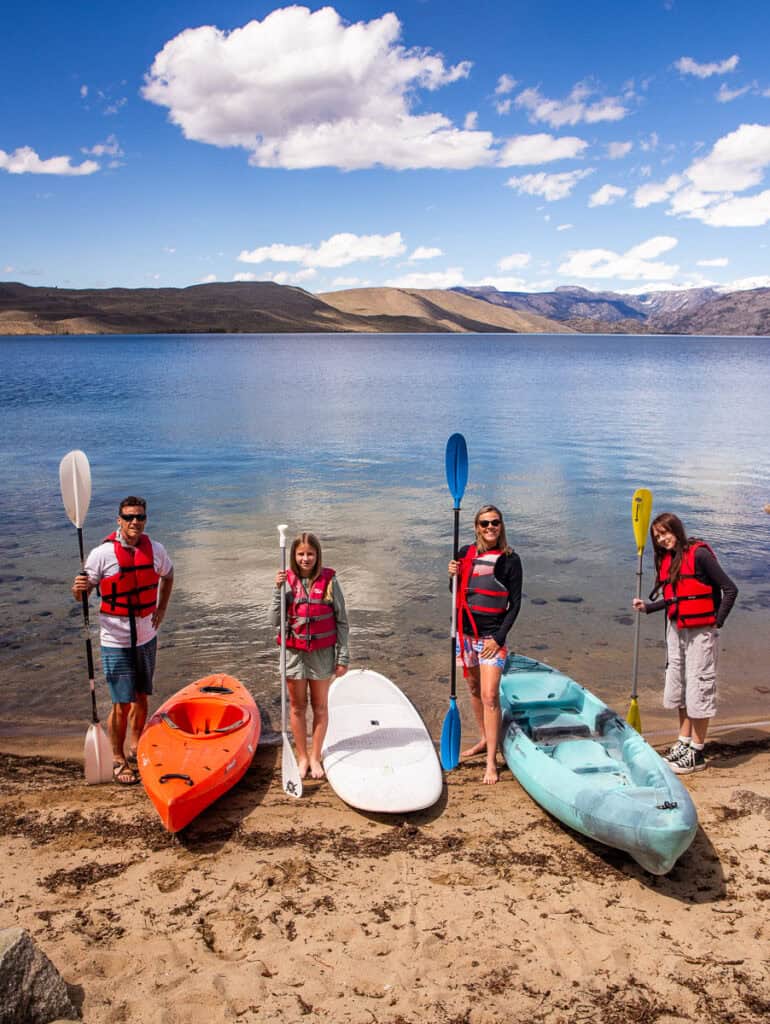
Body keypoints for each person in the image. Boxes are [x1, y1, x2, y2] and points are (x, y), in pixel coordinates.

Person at [72, 497, 174, 785]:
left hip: (146, 637)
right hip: (115, 639)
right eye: (128, 517)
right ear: (119, 519)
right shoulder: (102, 554)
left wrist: (162, 608)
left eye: (140, 517)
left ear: (145, 519)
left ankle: (136, 744)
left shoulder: (156, 550)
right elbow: (83, 593)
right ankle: (117, 757)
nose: (134, 522)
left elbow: (169, 575)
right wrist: (78, 589)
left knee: (142, 697)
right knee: (122, 702)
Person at [632, 512, 737, 775]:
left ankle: (697, 752)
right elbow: (676, 599)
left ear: (677, 530)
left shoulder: (699, 554)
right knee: (679, 686)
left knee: (699, 687)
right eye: (656, 536)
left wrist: (717, 623)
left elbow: (730, 589)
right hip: (676, 629)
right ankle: (684, 741)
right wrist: (648, 607)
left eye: (665, 532)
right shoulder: (666, 559)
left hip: (701, 632)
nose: (661, 539)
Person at [448, 504, 522, 785]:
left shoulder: (511, 560)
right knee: (475, 689)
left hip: (491, 639)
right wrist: (451, 574)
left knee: (491, 696)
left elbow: (515, 605)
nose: (490, 528)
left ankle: (491, 760)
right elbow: (456, 593)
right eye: (484, 524)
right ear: (476, 527)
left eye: (495, 523)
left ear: (501, 526)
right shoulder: (464, 554)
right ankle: (482, 737)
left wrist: (498, 638)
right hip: (466, 637)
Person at [272, 531, 349, 780]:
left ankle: (316, 757)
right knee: (297, 707)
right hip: (294, 655)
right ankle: (301, 756)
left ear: (317, 555)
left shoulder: (329, 582)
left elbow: (342, 622)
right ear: (294, 556)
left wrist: (342, 657)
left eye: (310, 554)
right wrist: (277, 590)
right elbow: (274, 620)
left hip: (322, 654)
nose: (306, 558)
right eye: (301, 554)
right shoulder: (286, 581)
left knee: (320, 707)